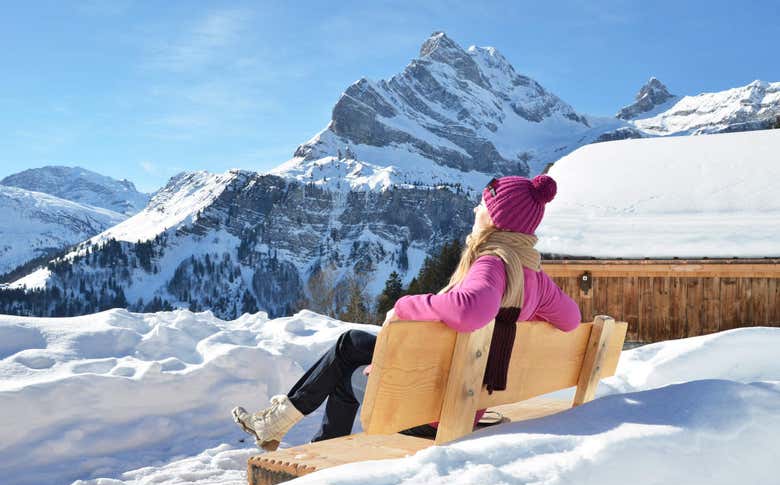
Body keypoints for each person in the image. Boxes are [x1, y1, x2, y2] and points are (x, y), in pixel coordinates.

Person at [231, 174, 582, 450]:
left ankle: (308, 440)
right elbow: (571, 319)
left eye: (483, 206)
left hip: (433, 410)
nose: (476, 211)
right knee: (350, 343)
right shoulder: (535, 278)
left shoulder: (493, 264)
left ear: (498, 220)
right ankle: (281, 426)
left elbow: (469, 312)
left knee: (345, 369)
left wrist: (405, 306)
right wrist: (519, 320)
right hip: (465, 391)